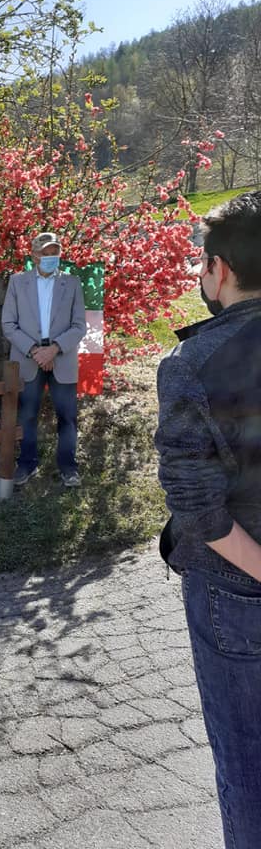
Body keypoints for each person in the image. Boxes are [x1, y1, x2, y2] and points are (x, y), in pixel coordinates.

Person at [155, 191, 261, 849]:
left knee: (249, 771)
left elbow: (198, 509)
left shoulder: (192, 363)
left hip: (237, 593)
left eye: (202, 263)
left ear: (219, 270)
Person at [1, 231, 87, 487]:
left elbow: (79, 326)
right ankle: (26, 463)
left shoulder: (72, 283)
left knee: (67, 416)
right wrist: (35, 351)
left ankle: (68, 467)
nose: (51, 257)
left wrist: (54, 349)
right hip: (29, 359)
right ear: (34, 255)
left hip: (62, 358)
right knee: (27, 415)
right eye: (45, 253)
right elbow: (8, 324)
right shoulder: (18, 282)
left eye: (55, 253)